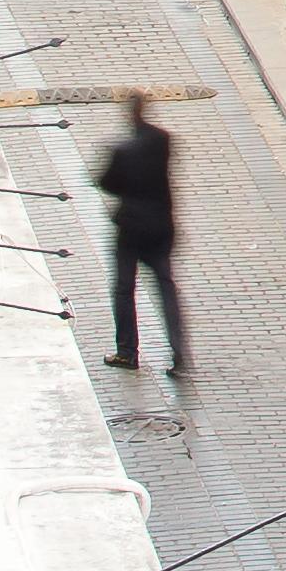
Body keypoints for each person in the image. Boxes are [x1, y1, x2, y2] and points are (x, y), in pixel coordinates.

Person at [93, 90, 186, 376]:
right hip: (161, 227)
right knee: (165, 285)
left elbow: (106, 182)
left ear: (129, 114)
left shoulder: (121, 152)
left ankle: (127, 351)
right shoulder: (163, 141)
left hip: (131, 230)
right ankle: (179, 350)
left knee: (124, 289)